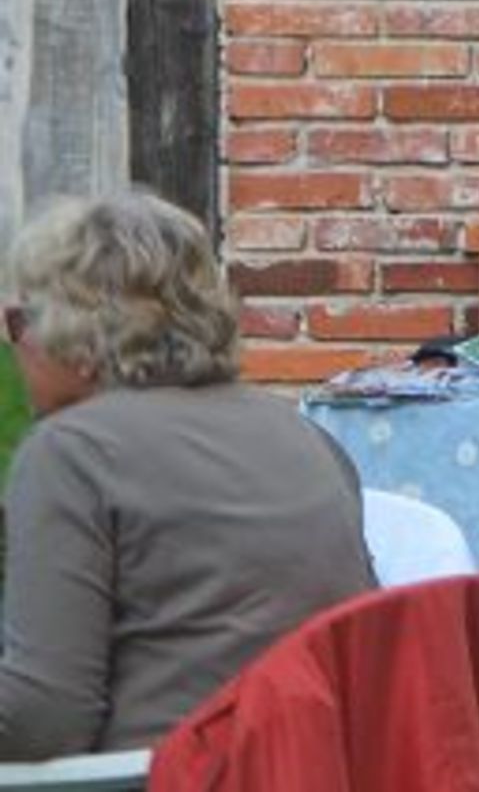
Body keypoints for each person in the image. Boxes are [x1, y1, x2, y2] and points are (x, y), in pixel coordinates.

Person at [0, 189, 378, 758]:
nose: (15, 345)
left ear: (72, 335)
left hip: (156, 775)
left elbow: (41, 721)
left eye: (18, 321)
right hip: (313, 770)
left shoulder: (73, 452)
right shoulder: (303, 436)